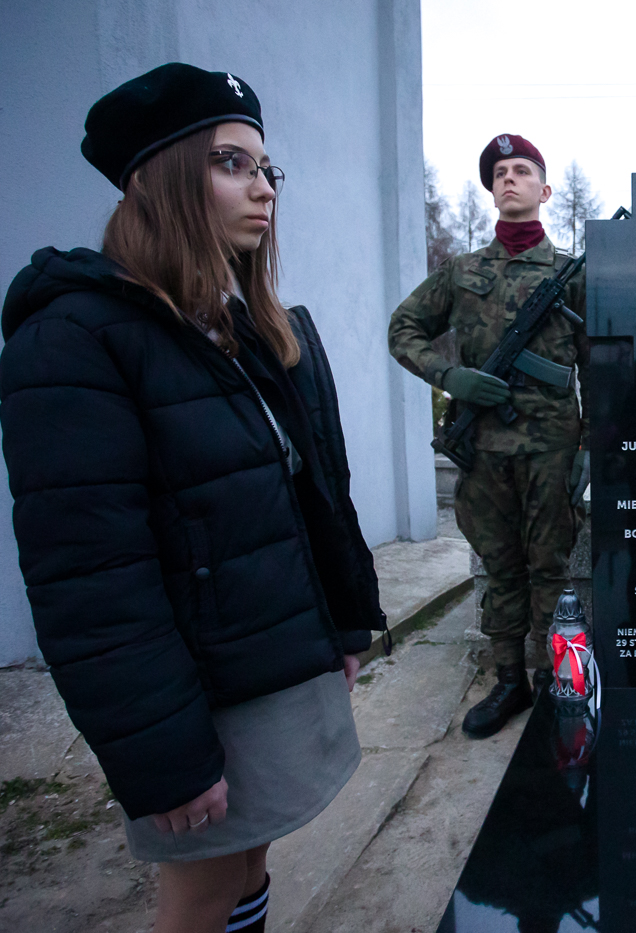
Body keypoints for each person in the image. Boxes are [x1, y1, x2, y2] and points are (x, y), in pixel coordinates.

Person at [0, 63, 386, 933]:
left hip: (265, 661)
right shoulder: (74, 340)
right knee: (202, 891)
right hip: (194, 695)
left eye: (266, 167)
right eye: (230, 163)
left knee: (249, 862)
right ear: (157, 179)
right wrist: (165, 755)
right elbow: (91, 580)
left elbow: (298, 499)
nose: (263, 187)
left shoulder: (235, 325)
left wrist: (336, 625)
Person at [388, 134, 587, 738]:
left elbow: (602, 361)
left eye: (522, 170)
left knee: (550, 566)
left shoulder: (571, 275)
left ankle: (556, 680)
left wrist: (591, 447)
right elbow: (404, 328)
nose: (509, 179)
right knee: (501, 567)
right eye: (500, 173)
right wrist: (449, 377)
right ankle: (509, 680)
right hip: (483, 447)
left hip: (551, 447)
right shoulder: (462, 271)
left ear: (544, 191)